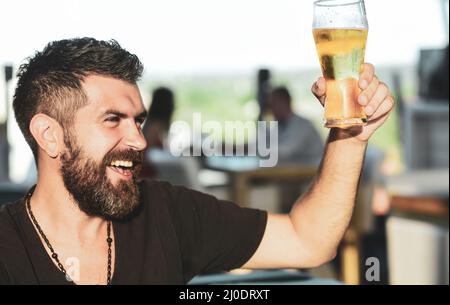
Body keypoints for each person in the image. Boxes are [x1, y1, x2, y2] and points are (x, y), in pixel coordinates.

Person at [0, 38, 394, 285]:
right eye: (112, 120)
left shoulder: (166, 213)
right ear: (49, 135)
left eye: (138, 119)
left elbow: (308, 240)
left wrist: (350, 136)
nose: (137, 139)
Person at [268, 86, 324, 165]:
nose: (271, 109)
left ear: (285, 102)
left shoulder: (303, 125)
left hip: (315, 172)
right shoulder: (280, 126)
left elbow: (286, 152)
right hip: (298, 173)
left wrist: (259, 149)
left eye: (273, 104)